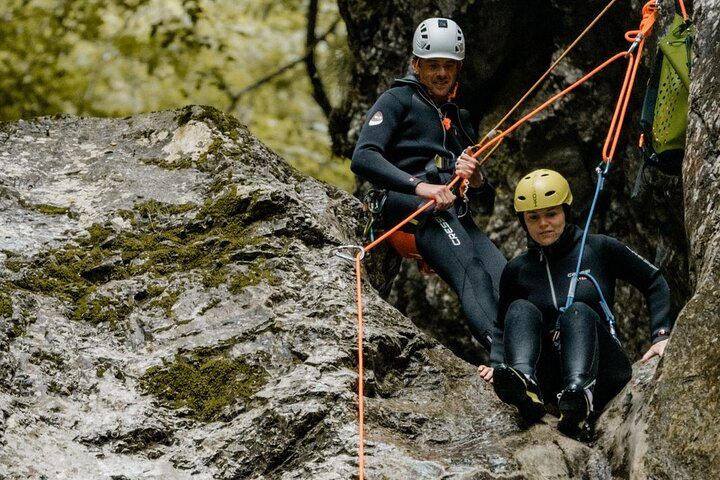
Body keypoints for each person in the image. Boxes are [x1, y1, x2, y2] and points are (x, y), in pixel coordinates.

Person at [478, 168, 674, 439]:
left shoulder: (599, 248)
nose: (543, 223)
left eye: (551, 214)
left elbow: (653, 281)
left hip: (603, 371)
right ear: (523, 221)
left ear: (565, 212)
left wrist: (661, 335)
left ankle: (580, 397)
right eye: (533, 217)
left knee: (578, 311)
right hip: (551, 377)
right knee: (519, 309)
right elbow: (503, 325)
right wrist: (497, 364)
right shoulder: (518, 270)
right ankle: (525, 382)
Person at [351, 17, 507, 350]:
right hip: (406, 207)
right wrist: (421, 188)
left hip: (450, 211)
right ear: (415, 65)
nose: (440, 73)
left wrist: (476, 177)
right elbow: (363, 156)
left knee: (508, 278)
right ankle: (501, 351)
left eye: (448, 66)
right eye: (432, 65)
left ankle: (529, 358)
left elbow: (486, 203)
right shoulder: (398, 101)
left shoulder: (457, 118)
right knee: (472, 272)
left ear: (458, 68)